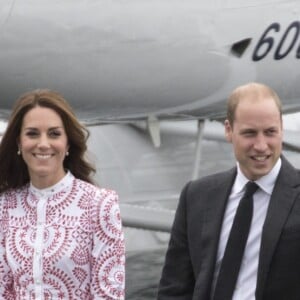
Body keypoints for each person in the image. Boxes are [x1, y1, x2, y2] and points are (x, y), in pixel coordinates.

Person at [157, 82, 300, 300]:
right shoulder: (196, 196)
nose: (261, 145)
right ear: (228, 130)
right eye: (250, 133)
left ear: (281, 127)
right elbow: (174, 289)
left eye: (270, 132)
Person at [0, 89, 125, 299]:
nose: (43, 143)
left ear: (68, 143)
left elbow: (109, 294)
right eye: (32, 133)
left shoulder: (100, 205)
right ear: (19, 143)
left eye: (54, 134)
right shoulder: (5, 207)